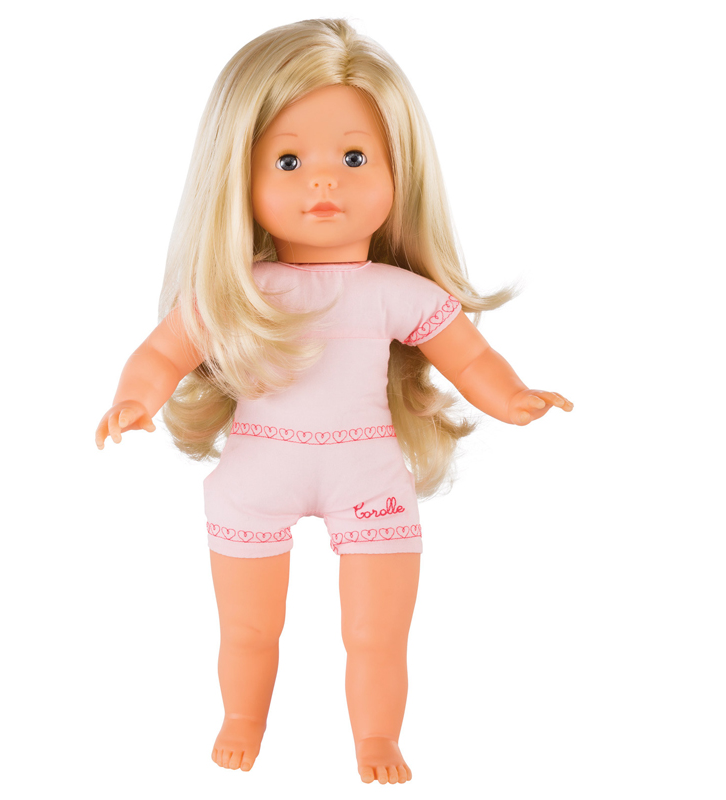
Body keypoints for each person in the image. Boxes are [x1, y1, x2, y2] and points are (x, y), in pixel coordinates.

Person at [94, 19, 573, 785]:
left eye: (353, 158)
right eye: (289, 160)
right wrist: (135, 398)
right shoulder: (236, 294)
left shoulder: (394, 292)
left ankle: (377, 739)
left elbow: (468, 355)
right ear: (239, 177)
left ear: (396, 172)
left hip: (367, 474)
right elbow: (161, 353)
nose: (324, 182)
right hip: (257, 476)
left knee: (378, 634)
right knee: (248, 629)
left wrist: (511, 396)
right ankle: (242, 719)